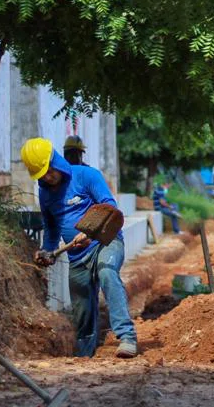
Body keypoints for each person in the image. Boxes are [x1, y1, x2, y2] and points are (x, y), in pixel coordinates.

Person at [21, 137, 138, 358]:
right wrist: (48, 250)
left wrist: (91, 230)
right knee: (82, 309)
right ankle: (85, 355)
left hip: (105, 242)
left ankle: (127, 337)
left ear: (55, 160)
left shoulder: (87, 176)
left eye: (49, 170)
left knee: (107, 272)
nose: (47, 177)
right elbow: (51, 227)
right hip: (76, 257)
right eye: (42, 175)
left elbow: (110, 208)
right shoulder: (45, 193)